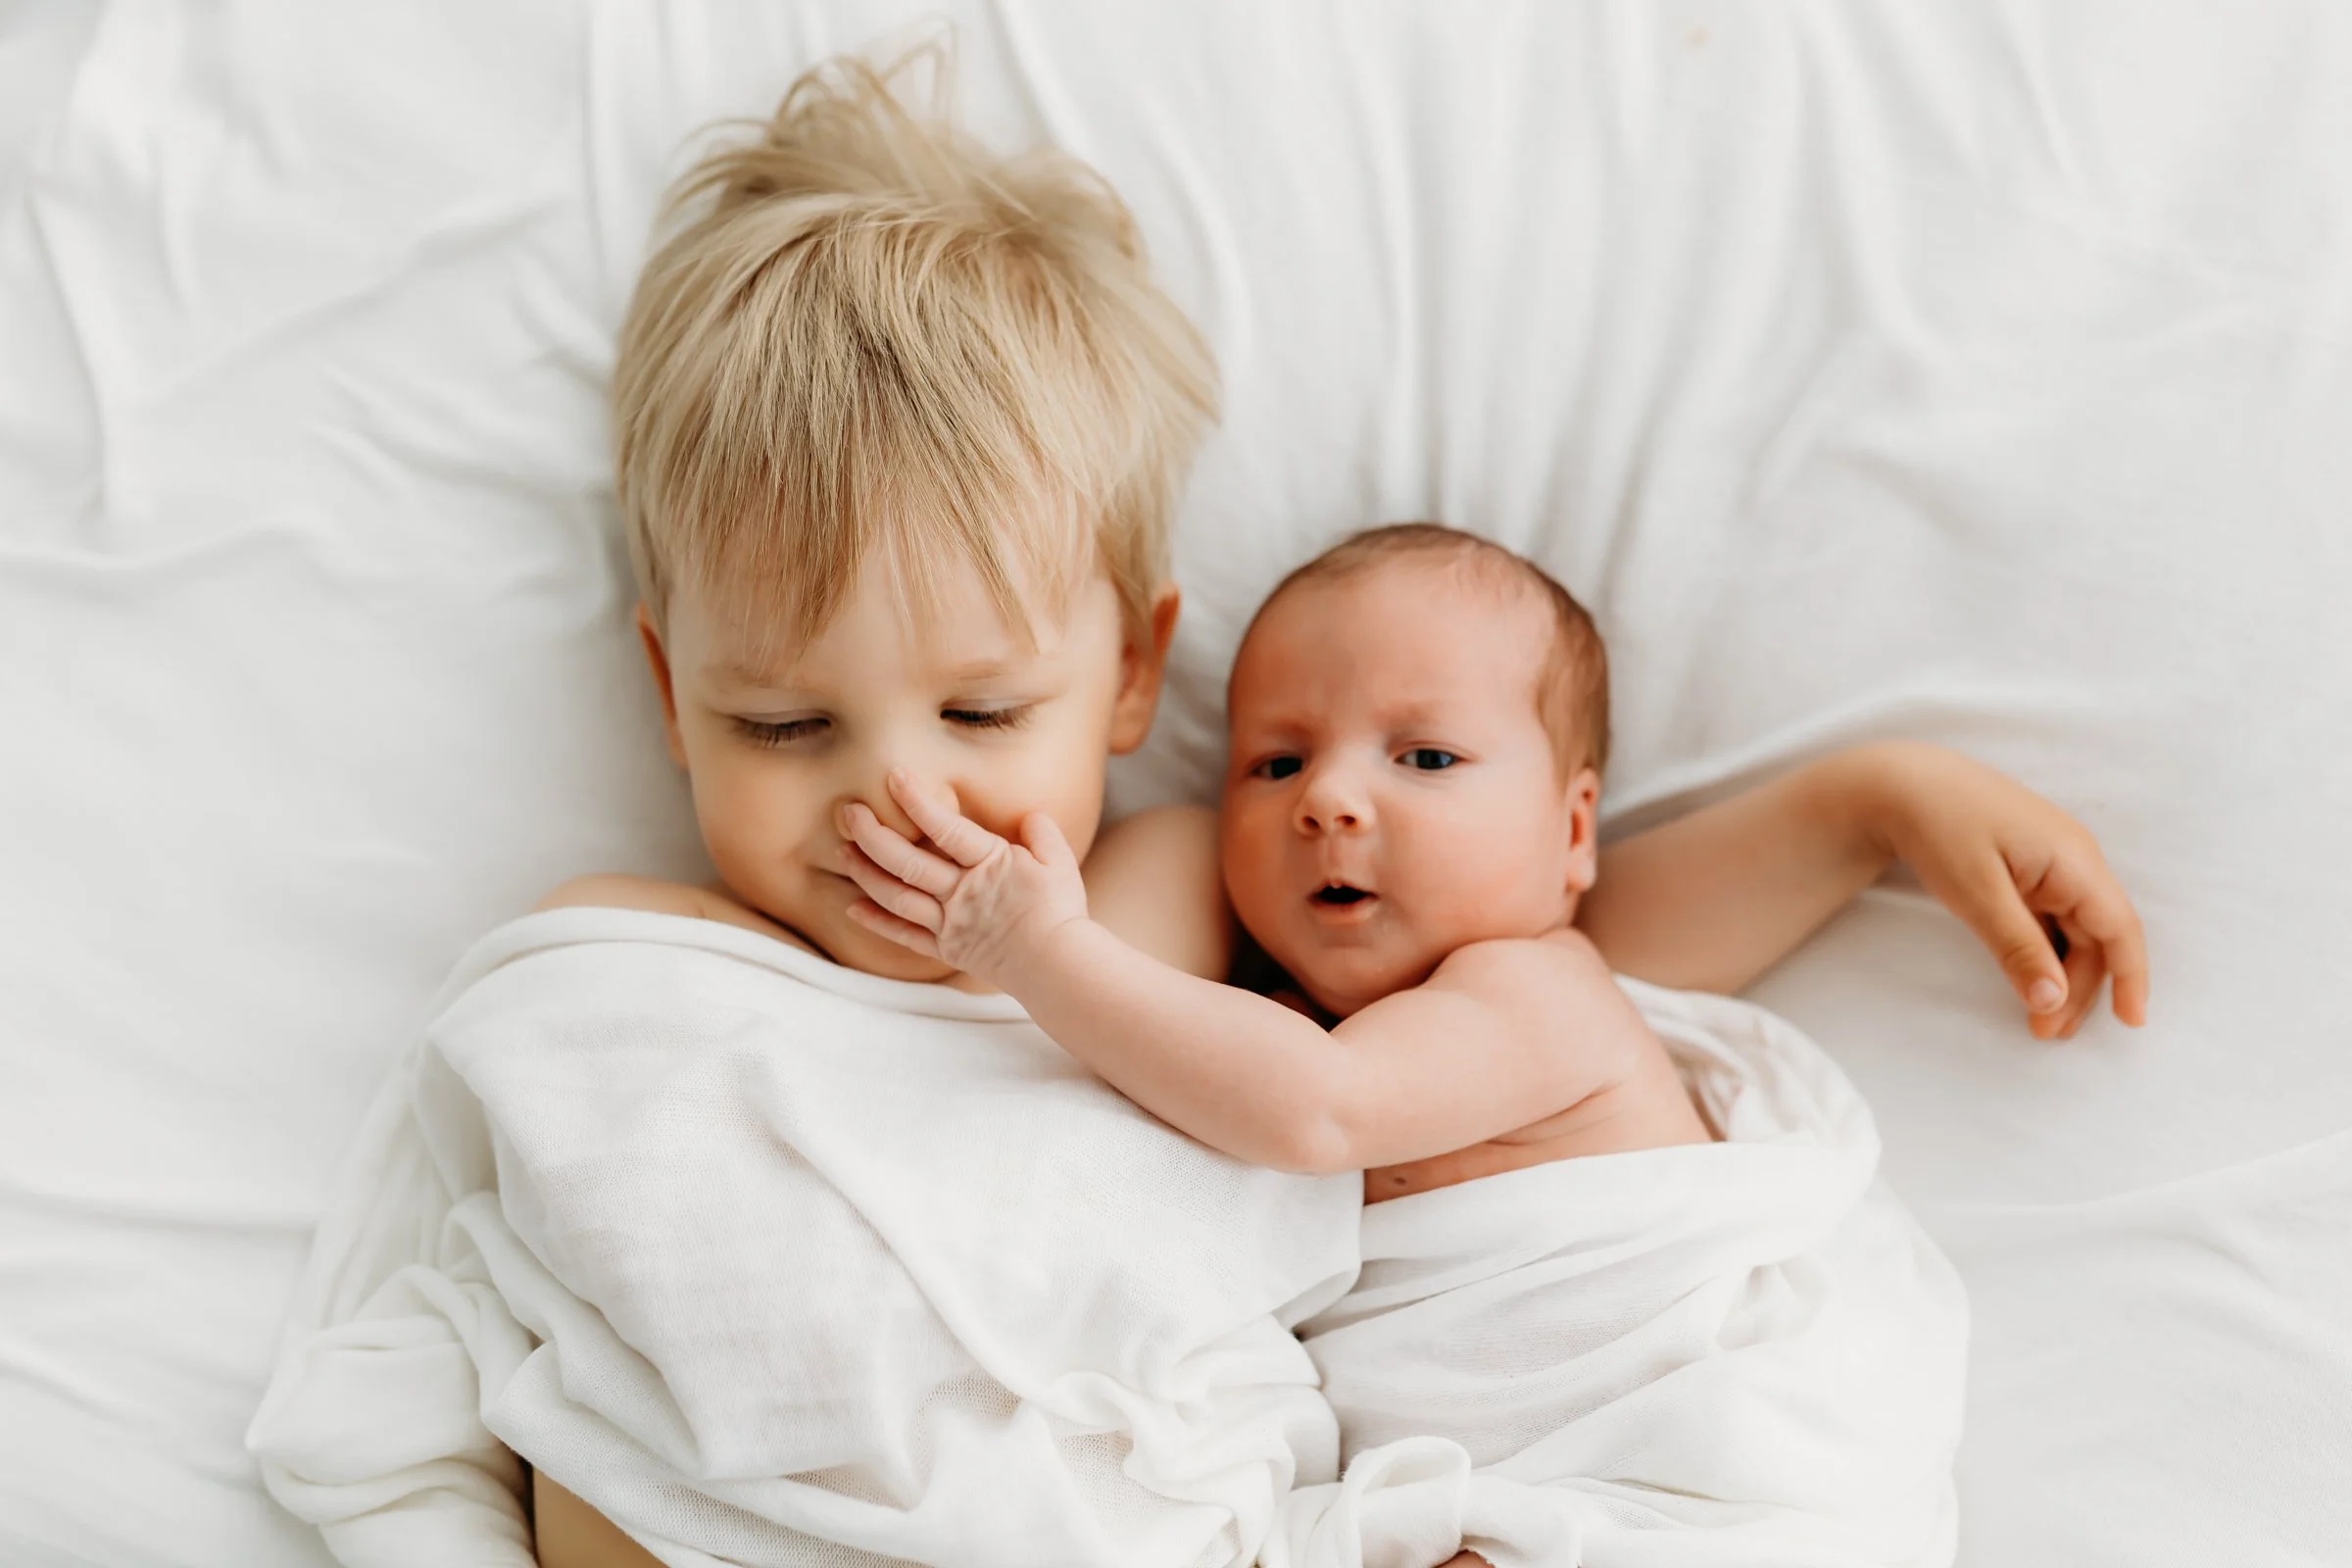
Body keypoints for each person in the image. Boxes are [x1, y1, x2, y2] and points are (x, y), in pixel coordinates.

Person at [529, 44, 2145, 1568]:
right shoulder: (678, 975)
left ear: (1133, 679)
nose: (902, 794)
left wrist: (1869, 805)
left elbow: (1542, 963)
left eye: (985, 712)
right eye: (786, 722)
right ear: (674, 697)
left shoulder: (1186, 899)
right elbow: (602, 1181)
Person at [835, 523, 2142, 1565]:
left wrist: (1040, 950)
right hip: (1502, 1501)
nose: (1332, 798)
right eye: (1273, 765)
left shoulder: (1541, 995)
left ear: (1575, 832)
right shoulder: (1282, 1013)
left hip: (1674, 1489)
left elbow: (1318, 1113)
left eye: (1428, 754)